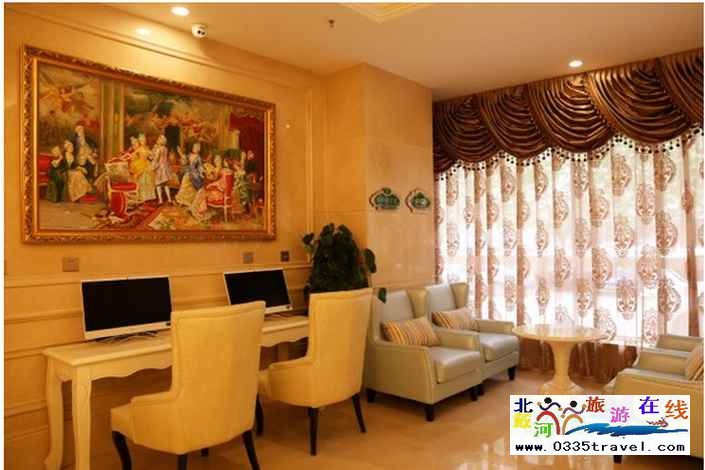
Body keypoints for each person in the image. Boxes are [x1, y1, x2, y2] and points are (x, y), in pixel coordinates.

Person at [175, 142, 209, 220]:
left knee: (196, 188)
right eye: (196, 147)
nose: (197, 149)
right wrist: (180, 153)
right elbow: (184, 161)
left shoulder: (198, 157)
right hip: (188, 173)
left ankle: (193, 205)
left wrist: (202, 173)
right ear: (192, 147)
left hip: (195, 174)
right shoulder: (189, 155)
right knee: (185, 187)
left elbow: (200, 167)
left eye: (198, 147)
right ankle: (185, 202)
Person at [129, 134, 156, 203]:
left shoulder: (146, 148)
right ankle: (143, 196)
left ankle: (149, 196)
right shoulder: (139, 149)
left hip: (147, 165)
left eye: (144, 140)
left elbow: (151, 156)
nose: (143, 142)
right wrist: (134, 158)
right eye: (141, 141)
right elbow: (133, 156)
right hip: (141, 165)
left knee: (148, 181)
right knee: (142, 181)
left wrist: (151, 157)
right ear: (140, 141)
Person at [151, 134, 174, 204]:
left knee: (158, 184)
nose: (157, 141)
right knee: (166, 184)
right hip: (165, 167)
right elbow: (166, 158)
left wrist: (153, 166)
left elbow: (156, 159)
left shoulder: (159, 149)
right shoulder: (165, 148)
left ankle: (160, 200)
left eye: (158, 139)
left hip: (160, 168)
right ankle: (169, 199)